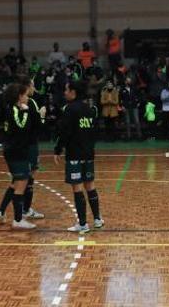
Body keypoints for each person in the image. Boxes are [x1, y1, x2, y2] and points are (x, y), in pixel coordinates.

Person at [54, 80, 102, 234]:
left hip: (74, 154)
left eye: (66, 89)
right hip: (88, 153)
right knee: (90, 185)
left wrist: (58, 149)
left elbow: (64, 132)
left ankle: (82, 224)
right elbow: (94, 132)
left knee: (78, 187)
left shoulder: (70, 109)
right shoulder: (89, 109)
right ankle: (97, 219)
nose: (64, 92)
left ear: (73, 92)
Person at [0, 83, 36, 229]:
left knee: (17, 182)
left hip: (15, 151)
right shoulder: (15, 111)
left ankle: (2, 211)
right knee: (21, 185)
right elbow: (22, 127)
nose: (27, 97)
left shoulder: (12, 109)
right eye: (24, 94)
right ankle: (18, 220)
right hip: (16, 152)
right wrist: (28, 112)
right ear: (19, 97)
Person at [18, 75, 46, 221]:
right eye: (33, 85)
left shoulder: (16, 103)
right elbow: (38, 126)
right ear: (27, 86)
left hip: (21, 144)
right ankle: (25, 209)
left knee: (22, 177)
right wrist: (42, 116)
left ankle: (21, 208)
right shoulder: (32, 103)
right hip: (30, 145)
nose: (34, 88)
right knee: (29, 176)